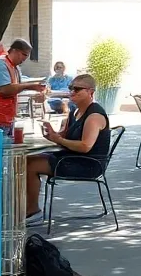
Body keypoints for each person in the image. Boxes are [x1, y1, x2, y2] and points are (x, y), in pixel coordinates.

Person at [23, 74, 110, 226]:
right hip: (70, 157)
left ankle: (33, 212)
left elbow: (85, 146)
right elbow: (64, 137)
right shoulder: (74, 112)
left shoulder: (94, 115)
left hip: (87, 164)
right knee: (27, 159)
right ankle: (25, 207)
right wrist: (53, 134)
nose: (72, 92)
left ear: (90, 92)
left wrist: (58, 140)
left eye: (77, 89)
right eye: (71, 88)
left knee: (30, 165)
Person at [0, 38, 45, 135]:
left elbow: (18, 86)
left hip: (7, 117)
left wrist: (36, 89)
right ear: (14, 51)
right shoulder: (0, 64)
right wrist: (30, 86)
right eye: (24, 54)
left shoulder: (15, 67)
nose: (25, 59)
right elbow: (6, 89)